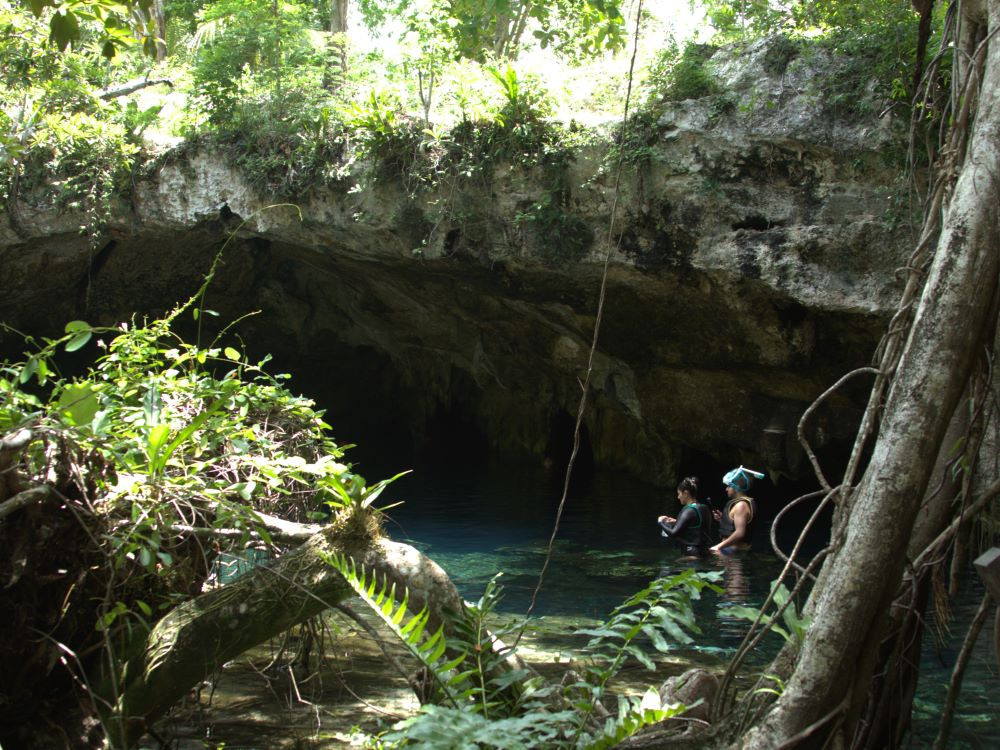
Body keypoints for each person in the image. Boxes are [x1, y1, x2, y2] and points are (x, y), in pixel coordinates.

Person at [710, 465, 765, 555]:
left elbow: (740, 533)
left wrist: (718, 547)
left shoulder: (741, 506)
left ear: (736, 487)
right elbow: (733, 527)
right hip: (729, 550)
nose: (726, 489)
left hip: (734, 552)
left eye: (729, 486)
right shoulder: (739, 504)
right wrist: (722, 520)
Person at [657, 476, 713, 556]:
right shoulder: (704, 507)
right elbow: (698, 527)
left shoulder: (688, 511)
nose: (678, 497)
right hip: (705, 551)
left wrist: (660, 522)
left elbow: (673, 534)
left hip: (692, 554)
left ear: (686, 493)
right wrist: (677, 522)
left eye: (679, 494)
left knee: (674, 567)